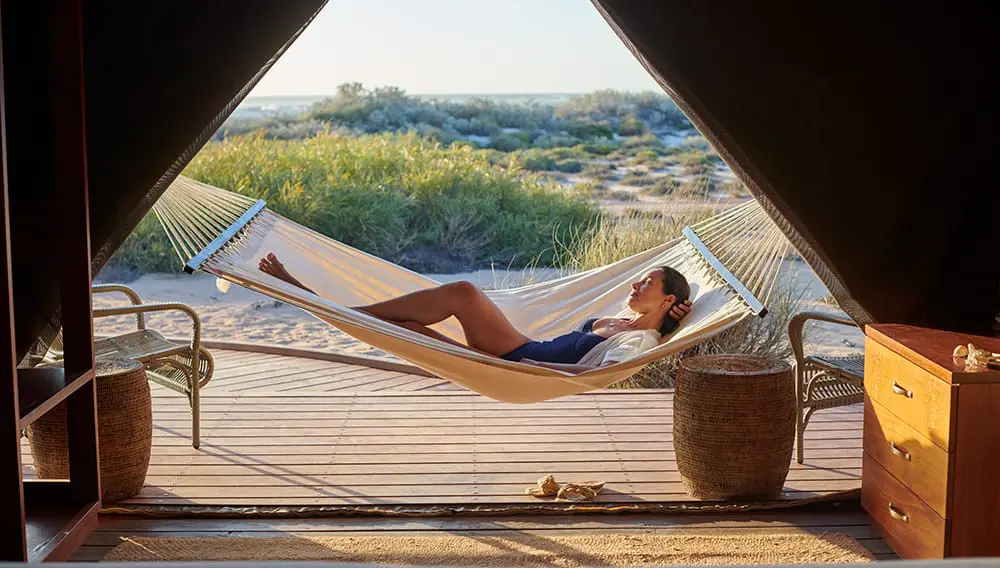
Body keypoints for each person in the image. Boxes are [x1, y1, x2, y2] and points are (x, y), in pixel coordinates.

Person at [258, 252, 692, 373]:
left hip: (517, 359)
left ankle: (319, 301)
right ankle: (325, 305)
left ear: (668, 300)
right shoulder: (621, 321)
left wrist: (530, 373)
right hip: (510, 354)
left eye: (647, 283)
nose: (635, 285)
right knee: (407, 328)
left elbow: (592, 375)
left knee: (464, 292)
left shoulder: (639, 339)